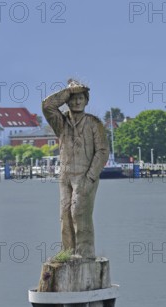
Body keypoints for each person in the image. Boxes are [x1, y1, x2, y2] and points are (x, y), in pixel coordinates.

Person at [42, 80, 109, 258]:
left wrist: (91, 177)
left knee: (79, 213)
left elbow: (102, 151)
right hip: (65, 176)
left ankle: (85, 255)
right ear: (66, 101)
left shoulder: (94, 123)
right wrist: (68, 91)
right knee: (65, 215)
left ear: (86, 101)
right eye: (73, 98)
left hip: (85, 175)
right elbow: (47, 105)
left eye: (80, 98)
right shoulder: (60, 122)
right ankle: (68, 254)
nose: (77, 102)